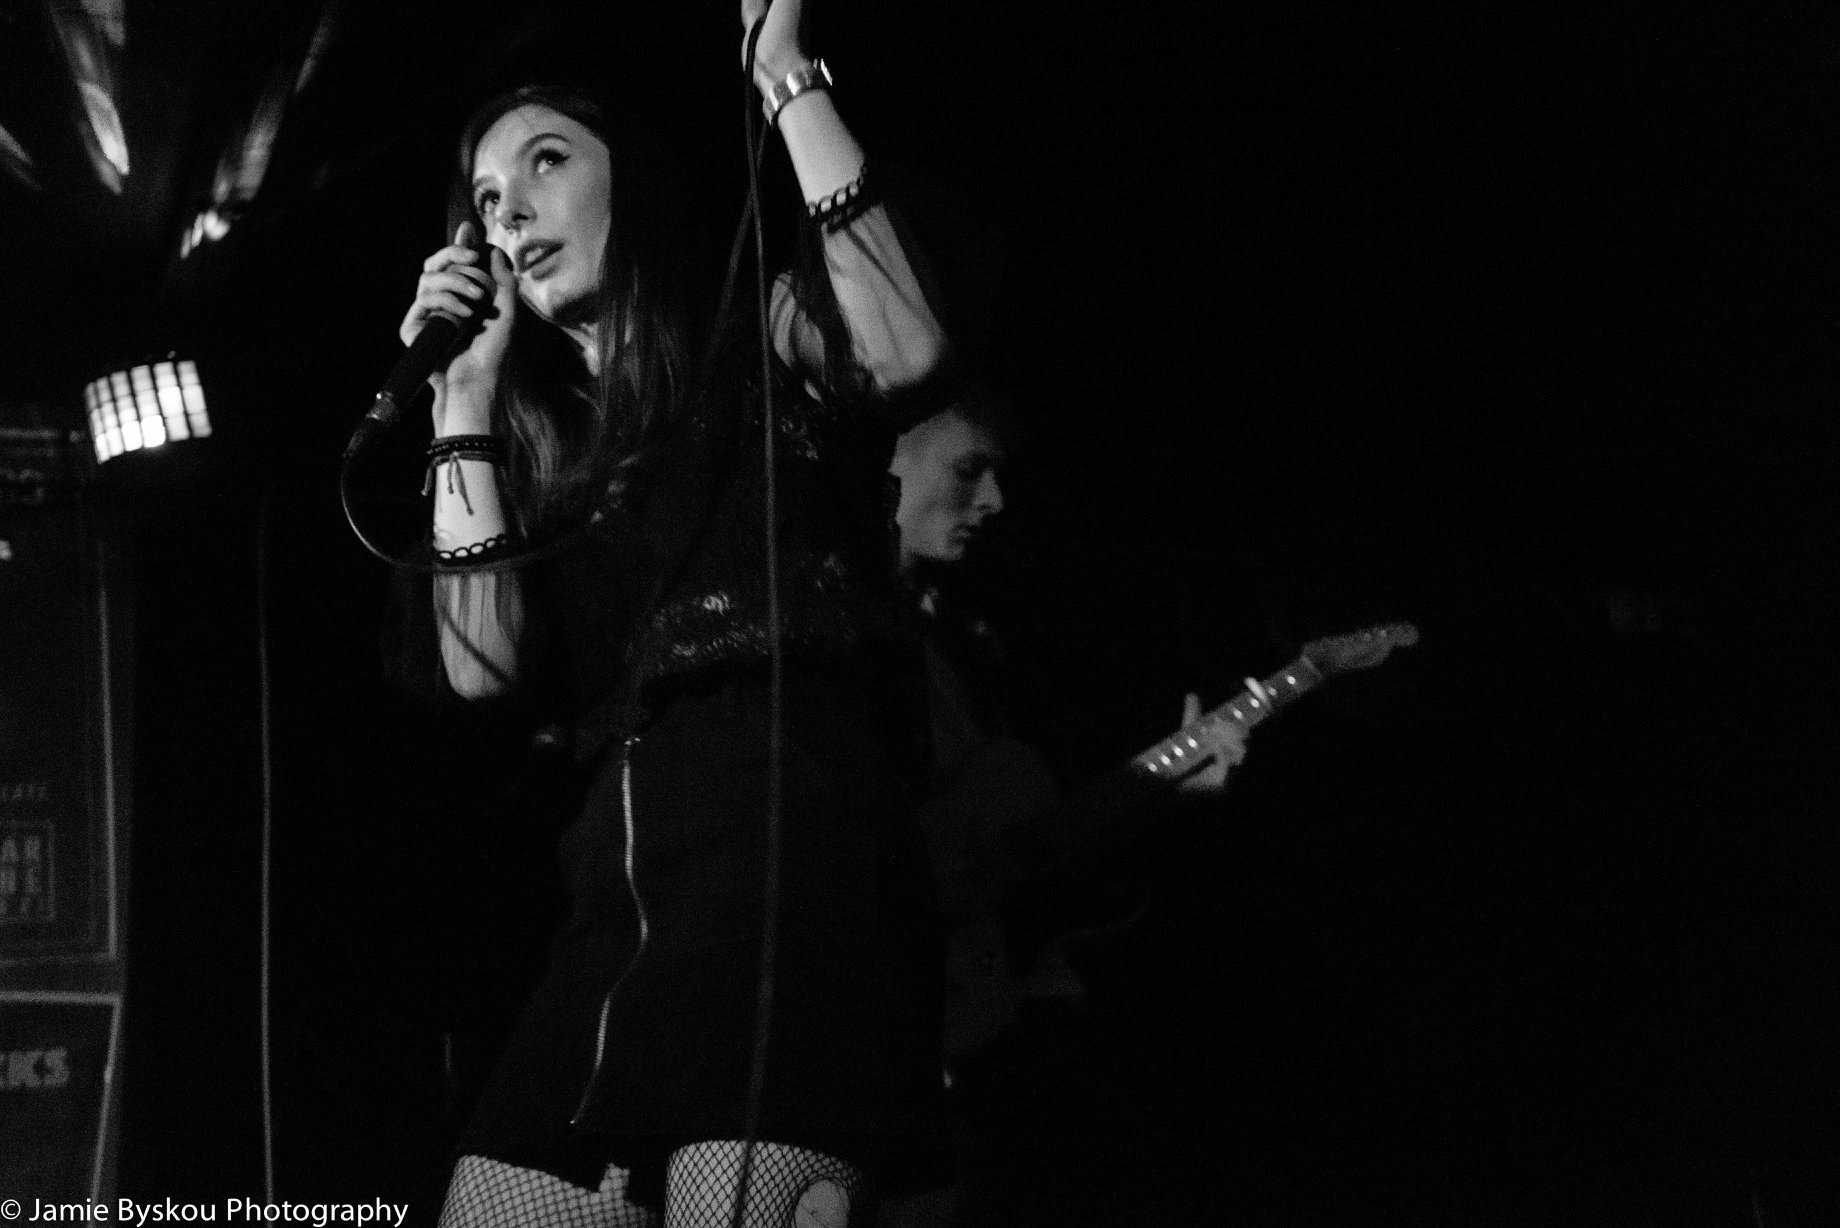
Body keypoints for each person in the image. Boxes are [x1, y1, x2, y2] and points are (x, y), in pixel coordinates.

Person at [381, 3, 963, 1223]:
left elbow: (907, 349)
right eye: (485, 200)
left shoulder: (762, 332)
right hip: (620, 904)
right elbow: (480, 669)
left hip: (784, 862)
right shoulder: (546, 452)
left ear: (625, 183)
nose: (512, 212)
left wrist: (783, 73)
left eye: (546, 165)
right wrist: (462, 399)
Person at [879, 395, 1249, 1225]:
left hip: (955, 1042)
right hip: (863, 1048)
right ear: (885, 460)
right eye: (970, 469)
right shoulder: (830, 641)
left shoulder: (956, 637)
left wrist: (1163, 795)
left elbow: (1001, 857)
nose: (996, 501)